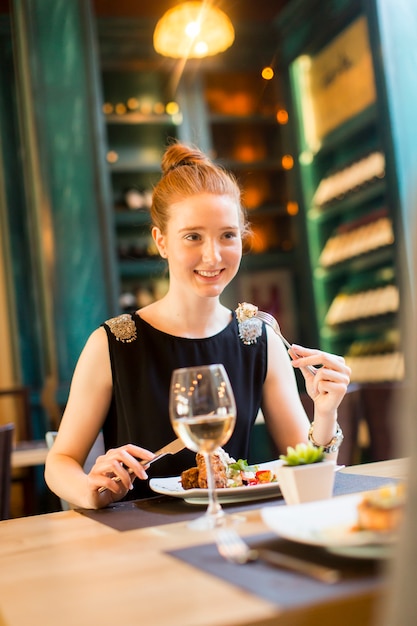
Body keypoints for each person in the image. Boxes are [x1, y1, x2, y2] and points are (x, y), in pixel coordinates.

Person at [45, 141, 351, 510]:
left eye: (228, 235)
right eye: (193, 236)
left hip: (235, 529)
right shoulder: (113, 343)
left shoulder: (259, 339)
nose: (213, 255)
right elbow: (59, 463)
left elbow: (304, 467)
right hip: (140, 544)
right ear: (161, 241)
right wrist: (91, 490)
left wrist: (325, 412)